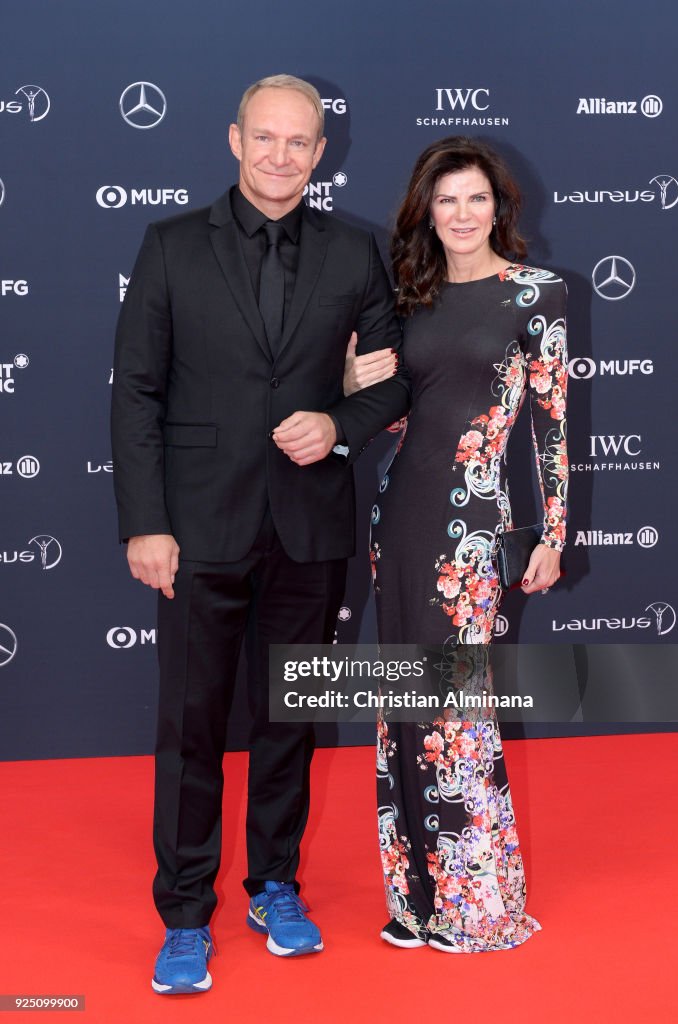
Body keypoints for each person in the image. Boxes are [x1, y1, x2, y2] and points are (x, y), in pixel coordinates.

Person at [111, 74, 409, 994]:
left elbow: (395, 380)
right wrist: (146, 525)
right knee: (192, 727)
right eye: (265, 138)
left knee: (289, 719)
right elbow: (136, 395)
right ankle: (185, 913)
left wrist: (342, 424)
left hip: (309, 528)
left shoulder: (355, 252)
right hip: (198, 526)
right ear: (234, 140)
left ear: (321, 154)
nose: (281, 156)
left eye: (300, 142)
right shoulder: (168, 247)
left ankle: (274, 883)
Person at [345, 136, 567, 951]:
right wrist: (349, 383)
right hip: (399, 515)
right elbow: (402, 415)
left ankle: (477, 904)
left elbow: (550, 425)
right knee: (403, 703)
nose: (462, 214)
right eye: (447, 200)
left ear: (498, 208)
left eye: (476, 199)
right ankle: (414, 899)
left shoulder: (537, 294)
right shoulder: (411, 298)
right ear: (426, 212)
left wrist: (550, 532)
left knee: (455, 708)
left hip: (471, 529)